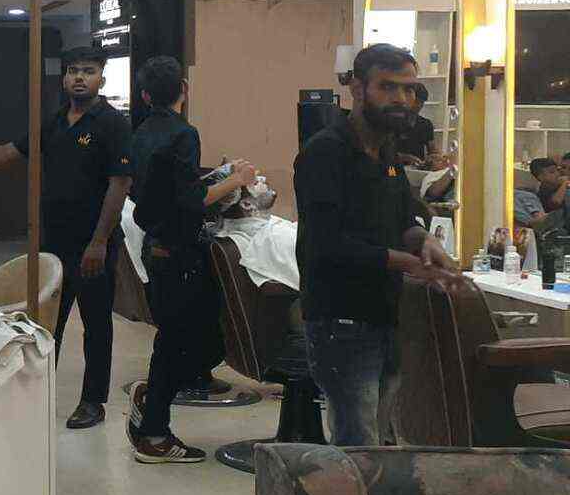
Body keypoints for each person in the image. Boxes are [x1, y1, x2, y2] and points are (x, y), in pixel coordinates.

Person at [0, 46, 133, 429]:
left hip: (93, 244)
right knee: (47, 322)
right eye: (73, 70)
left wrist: (99, 242)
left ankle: (93, 401)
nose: (79, 77)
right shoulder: (55, 121)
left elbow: (119, 184)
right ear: (64, 78)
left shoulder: (112, 123)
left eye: (88, 71)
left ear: (101, 78)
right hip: (54, 243)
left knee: (96, 324)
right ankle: (38, 393)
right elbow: (10, 153)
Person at [295, 43, 464, 447]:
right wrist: (408, 264)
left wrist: (425, 241)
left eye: (409, 89)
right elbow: (325, 244)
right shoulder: (325, 152)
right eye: (388, 87)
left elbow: (402, 220)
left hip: (388, 313)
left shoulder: (387, 153)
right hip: (341, 320)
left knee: (382, 442)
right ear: (357, 89)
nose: (402, 99)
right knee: (358, 445)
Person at [124, 57, 254, 463]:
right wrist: (236, 180)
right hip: (178, 250)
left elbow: (165, 189)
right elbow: (190, 200)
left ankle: (152, 402)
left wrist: (216, 177)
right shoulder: (184, 133)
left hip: (155, 246)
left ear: (145, 95)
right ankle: (155, 433)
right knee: (190, 341)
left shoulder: (140, 133)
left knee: (178, 338)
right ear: (184, 88)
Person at [394, 82, 437, 167]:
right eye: (416, 102)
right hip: (394, 168)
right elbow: (384, 154)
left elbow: (432, 150)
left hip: (417, 169)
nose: (419, 106)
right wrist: (406, 157)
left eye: (422, 102)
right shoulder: (393, 122)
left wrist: (435, 156)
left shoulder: (426, 124)